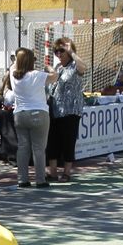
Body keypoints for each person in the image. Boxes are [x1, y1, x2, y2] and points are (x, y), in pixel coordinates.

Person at [9, 47, 54, 188]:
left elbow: (13, 65)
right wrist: (50, 68)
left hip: (20, 115)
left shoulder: (13, 75)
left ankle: (22, 179)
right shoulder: (37, 75)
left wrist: (20, 57)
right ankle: (40, 180)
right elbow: (55, 77)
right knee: (39, 148)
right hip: (38, 113)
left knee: (23, 148)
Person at [44, 37, 85, 182]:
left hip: (70, 111)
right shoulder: (57, 68)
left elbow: (83, 68)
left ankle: (67, 172)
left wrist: (71, 52)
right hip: (54, 110)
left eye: (62, 51)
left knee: (68, 141)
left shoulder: (74, 65)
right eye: (57, 51)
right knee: (52, 141)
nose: (59, 54)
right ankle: (52, 171)